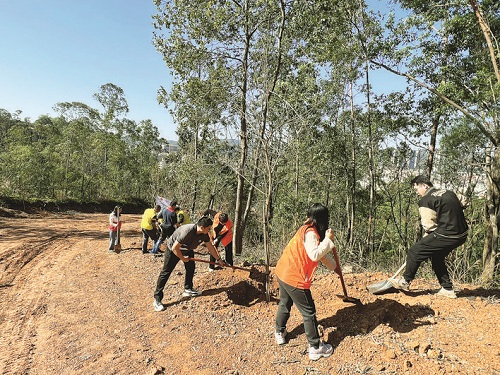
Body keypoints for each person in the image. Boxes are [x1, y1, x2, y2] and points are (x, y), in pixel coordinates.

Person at [274, 203, 339, 361]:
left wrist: (334, 267)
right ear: (323, 218)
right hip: (295, 278)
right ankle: (316, 347)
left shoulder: (308, 228)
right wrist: (329, 240)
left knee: (285, 303)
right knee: (309, 313)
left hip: (283, 271)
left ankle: (279, 332)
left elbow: (320, 254)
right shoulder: (310, 233)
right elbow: (315, 255)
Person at [390, 175, 468, 298]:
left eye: (417, 189)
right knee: (436, 256)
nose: (417, 193)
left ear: (425, 186)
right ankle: (447, 289)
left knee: (415, 251)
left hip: (447, 234)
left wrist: (428, 237)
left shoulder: (426, 200)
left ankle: (405, 280)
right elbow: (464, 201)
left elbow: (429, 226)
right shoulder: (449, 193)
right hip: (462, 234)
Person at [153, 216, 226, 312]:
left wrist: (219, 260)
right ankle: (157, 299)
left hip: (187, 249)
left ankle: (188, 288)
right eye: (208, 228)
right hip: (173, 251)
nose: (210, 230)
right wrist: (183, 258)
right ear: (202, 227)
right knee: (166, 272)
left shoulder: (204, 234)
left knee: (191, 268)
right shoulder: (187, 231)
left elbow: (210, 247)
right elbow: (175, 248)